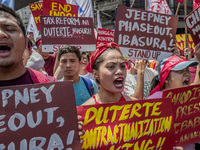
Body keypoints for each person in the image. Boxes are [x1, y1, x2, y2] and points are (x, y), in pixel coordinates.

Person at [0, 3, 84, 140]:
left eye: (9, 29)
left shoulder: (52, 89)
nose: (1, 34)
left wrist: (70, 136)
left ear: (26, 41)